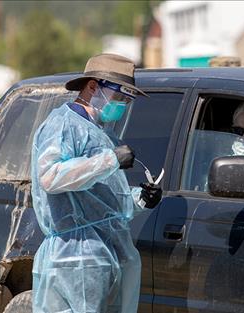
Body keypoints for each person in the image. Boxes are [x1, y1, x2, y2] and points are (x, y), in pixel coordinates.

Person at [31, 54, 163, 313]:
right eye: (120, 96)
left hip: (102, 254)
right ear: (92, 87)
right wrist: (110, 159)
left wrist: (140, 198)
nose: (123, 104)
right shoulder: (64, 125)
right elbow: (50, 176)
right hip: (75, 255)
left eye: (128, 99)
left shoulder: (102, 132)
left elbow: (103, 197)